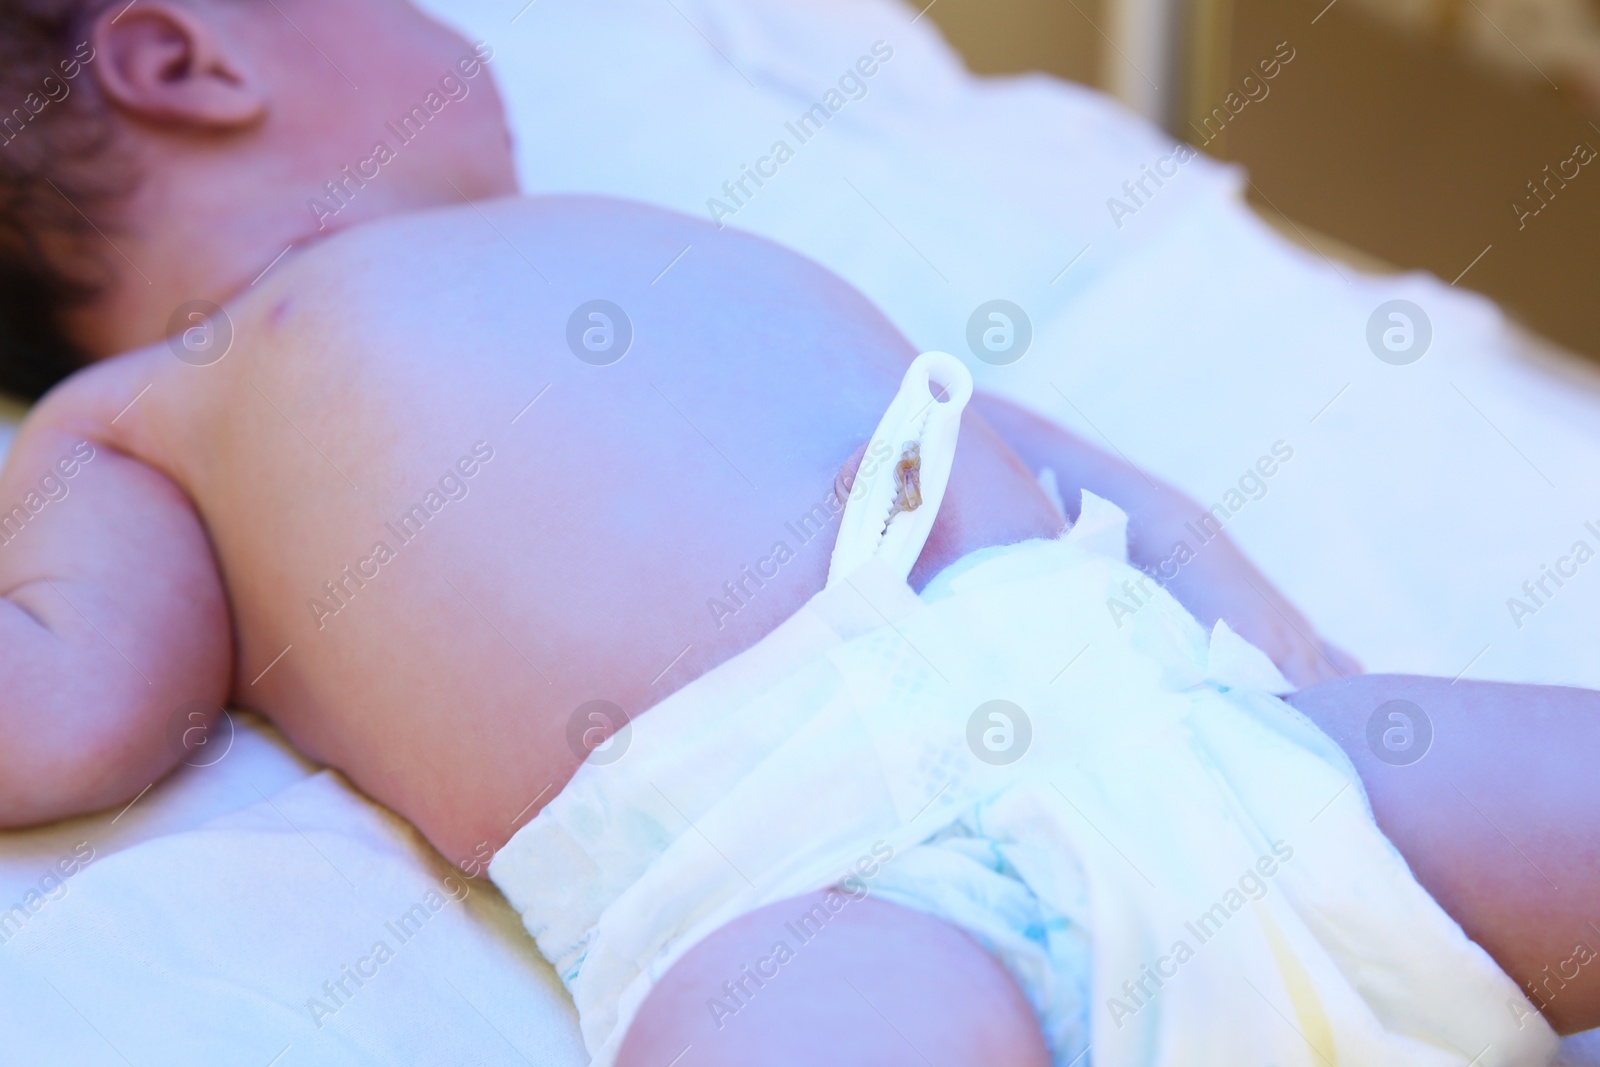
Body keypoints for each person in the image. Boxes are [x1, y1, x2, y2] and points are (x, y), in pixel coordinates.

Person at [0, 1, 1594, 1063]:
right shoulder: (143, 416)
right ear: (182, 59)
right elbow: (68, 708)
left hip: (1202, 736)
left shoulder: (599, 242)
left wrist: (1282, 657)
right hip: (807, 897)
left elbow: (1001, 426)